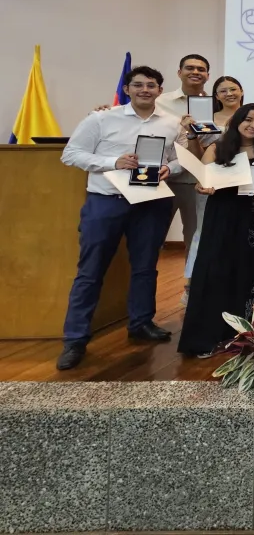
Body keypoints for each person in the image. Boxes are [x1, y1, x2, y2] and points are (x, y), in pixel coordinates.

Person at [56, 66, 182, 370]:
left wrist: (170, 169)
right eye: (138, 85)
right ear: (127, 89)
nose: (144, 90)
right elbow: (71, 154)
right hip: (106, 203)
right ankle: (75, 339)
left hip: (150, 202)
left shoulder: (171, 123)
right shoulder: (101, 118)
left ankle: (140, 323)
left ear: (159, 91)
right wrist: (114, 161)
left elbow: (178, 160)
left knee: (145, 268)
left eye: (151, 85)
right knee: (90, 271)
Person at [177, 104, 254, 357]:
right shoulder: (217, 147)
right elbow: (202, 179)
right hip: (222, 216)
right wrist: (203, 187)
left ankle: (252, 337)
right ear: (237, 122)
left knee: (252, 271)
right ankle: (209, 336)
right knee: (216, 270)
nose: (253, 126)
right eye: (248, 120)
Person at [180, 76, 245, 296]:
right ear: (215, 96)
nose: (229, 94)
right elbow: (198, 156)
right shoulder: (206, 119)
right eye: (223, 91)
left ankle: (233, 282)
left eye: (233, 89)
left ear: (242, 91)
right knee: (206, 231)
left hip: (244, 184)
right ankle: (196, 285)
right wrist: (191, 134)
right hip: (211, 186)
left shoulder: (252, 117)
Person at [156, 54, 210, 304]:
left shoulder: (213, 104)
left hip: (197, 181)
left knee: (195, 238)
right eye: (190, 68)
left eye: (201, 69)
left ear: (207, 75)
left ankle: (192, 292)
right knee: (154, 237)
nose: (195, 72)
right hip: (161, 179)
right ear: (179, 72)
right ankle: (143, 299)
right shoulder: (160, 101)